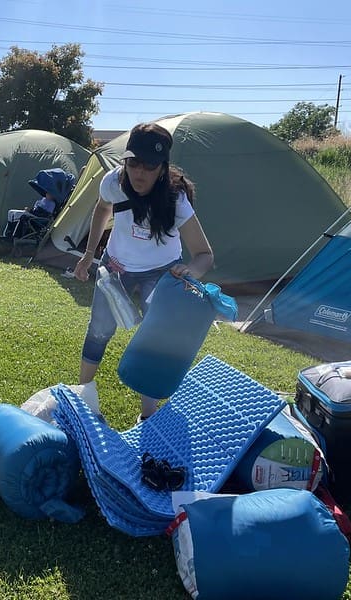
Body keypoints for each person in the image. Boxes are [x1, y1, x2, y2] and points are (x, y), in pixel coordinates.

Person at [73, 122, 214, 422]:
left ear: (162, 168)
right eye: (133, 162)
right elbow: (102, 209)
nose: (139, 172)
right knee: (99, 328)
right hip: (116, 267)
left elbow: (204, 254)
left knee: (154, 338)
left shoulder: (176, 201)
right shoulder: (113, 182)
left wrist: (189, 270)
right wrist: (89, 254)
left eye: (149, 166)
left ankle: (148, 415)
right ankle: (84, 397)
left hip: (160, 273)